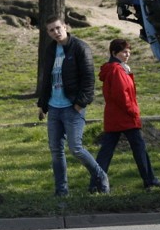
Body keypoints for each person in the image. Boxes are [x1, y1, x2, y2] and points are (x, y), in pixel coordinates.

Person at [37, 15, 109, 196]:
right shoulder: (50, 50)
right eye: (51, 30)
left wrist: (80, 104)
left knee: (76, 148)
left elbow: (88, 79)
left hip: (72, 107)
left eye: (58, 28)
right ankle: (61, 191)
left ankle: (101, 177)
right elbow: (46, 79)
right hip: (54, 107)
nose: (56, 32)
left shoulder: (80, 48)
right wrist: (42, 105)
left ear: (66, 27)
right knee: (56, 150)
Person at [95, 39, 160, 191]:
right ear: (114, 53)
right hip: (125, 116)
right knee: (139, 148)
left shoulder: (117, 69)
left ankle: (96, 184)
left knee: (106, 152)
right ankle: (149, 180)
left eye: (129, 51)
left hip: (115, 117)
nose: (127, 54)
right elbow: (122, 95)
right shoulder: (117, 70)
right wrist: (133, 111)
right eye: (124, 52)